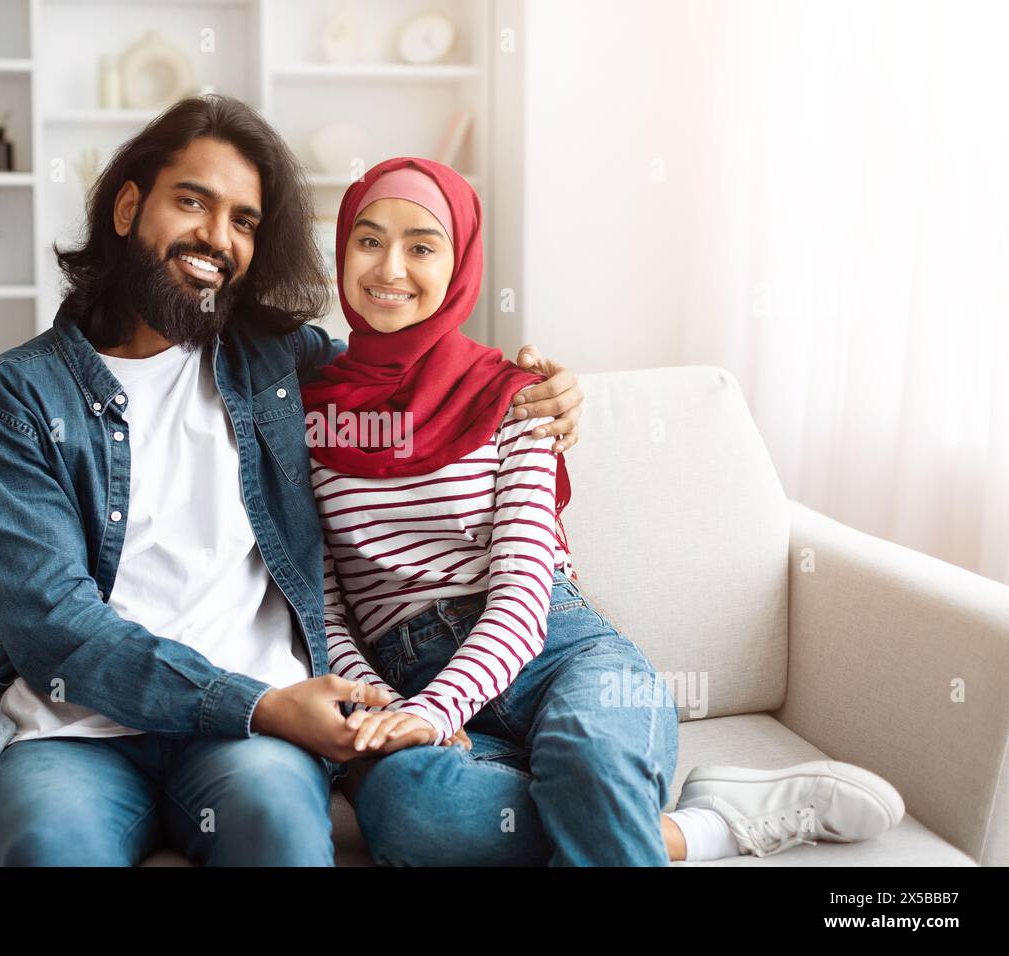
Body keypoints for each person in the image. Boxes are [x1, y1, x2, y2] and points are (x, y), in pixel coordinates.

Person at [0, 95, 584, 866]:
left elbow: (410, 365)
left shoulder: (277, 365)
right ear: (127, 206)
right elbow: (53, 625)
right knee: (54, 848)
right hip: (73, 736)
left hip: (248, 741)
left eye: (244, 221)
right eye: (193, 202)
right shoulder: (14, 400)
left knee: (283, 840)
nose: (217, 238)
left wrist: (530, 388)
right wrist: (263, 704)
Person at [302, 156, 906, 865]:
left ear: (460, 260)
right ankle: (702, 828)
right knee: (412, 816)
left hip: (556, 649)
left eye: (422, 245)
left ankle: (598, 792)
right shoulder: (303, 414)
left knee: (590, 752)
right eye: (368, 240)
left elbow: (525, 594)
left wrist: (439, 710)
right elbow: (324, 608)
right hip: (406, 672)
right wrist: (389, 711)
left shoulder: (516, 396)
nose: (390, 267)